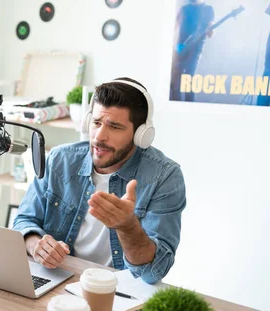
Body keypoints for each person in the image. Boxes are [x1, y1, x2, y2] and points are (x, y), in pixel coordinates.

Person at [13, 78, 186, 284]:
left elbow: (154, 272)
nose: (99, 137)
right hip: (60, 278)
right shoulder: (61, 159)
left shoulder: (164, 176)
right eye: (96, 123)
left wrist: (127, 226)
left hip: (120, 288)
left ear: (141, 135)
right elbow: (23, 220)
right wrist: (36, 245)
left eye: (114, 127)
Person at [170, 0, 215, 102]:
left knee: (189, 78)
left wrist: (210, 30)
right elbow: (174, 27)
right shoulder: (184, 9)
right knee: (175, 80)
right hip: (180, 48)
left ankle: (188, 106)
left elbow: (210, 33)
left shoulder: (208, 9)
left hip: (195, 49)